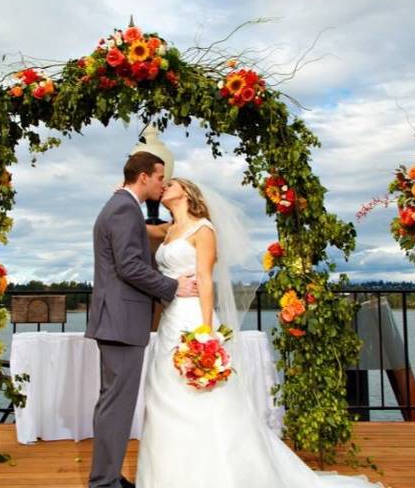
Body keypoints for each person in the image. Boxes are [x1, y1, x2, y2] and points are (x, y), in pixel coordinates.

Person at [135, 177, 381, 488]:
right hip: (170, 320)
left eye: (171, 183)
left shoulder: (203, 229)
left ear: (186, 191)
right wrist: (124, 193)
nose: (164, 186)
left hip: (194, 316)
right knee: (164, 396)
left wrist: (205, 330)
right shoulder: (167, 230)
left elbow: (206, 280)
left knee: (206, 398)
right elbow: (133, 224)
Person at [85, 152, 199, 488]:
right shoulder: (123, 208)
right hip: (120, 323)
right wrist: (173, 287)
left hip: (118, 321)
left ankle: (107, 477)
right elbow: (130, 267)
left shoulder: (122, 205)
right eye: (160, 177)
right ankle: (104, 483)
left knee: (115, 404)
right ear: (145, 176)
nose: (163, 184)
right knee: (116, 406)